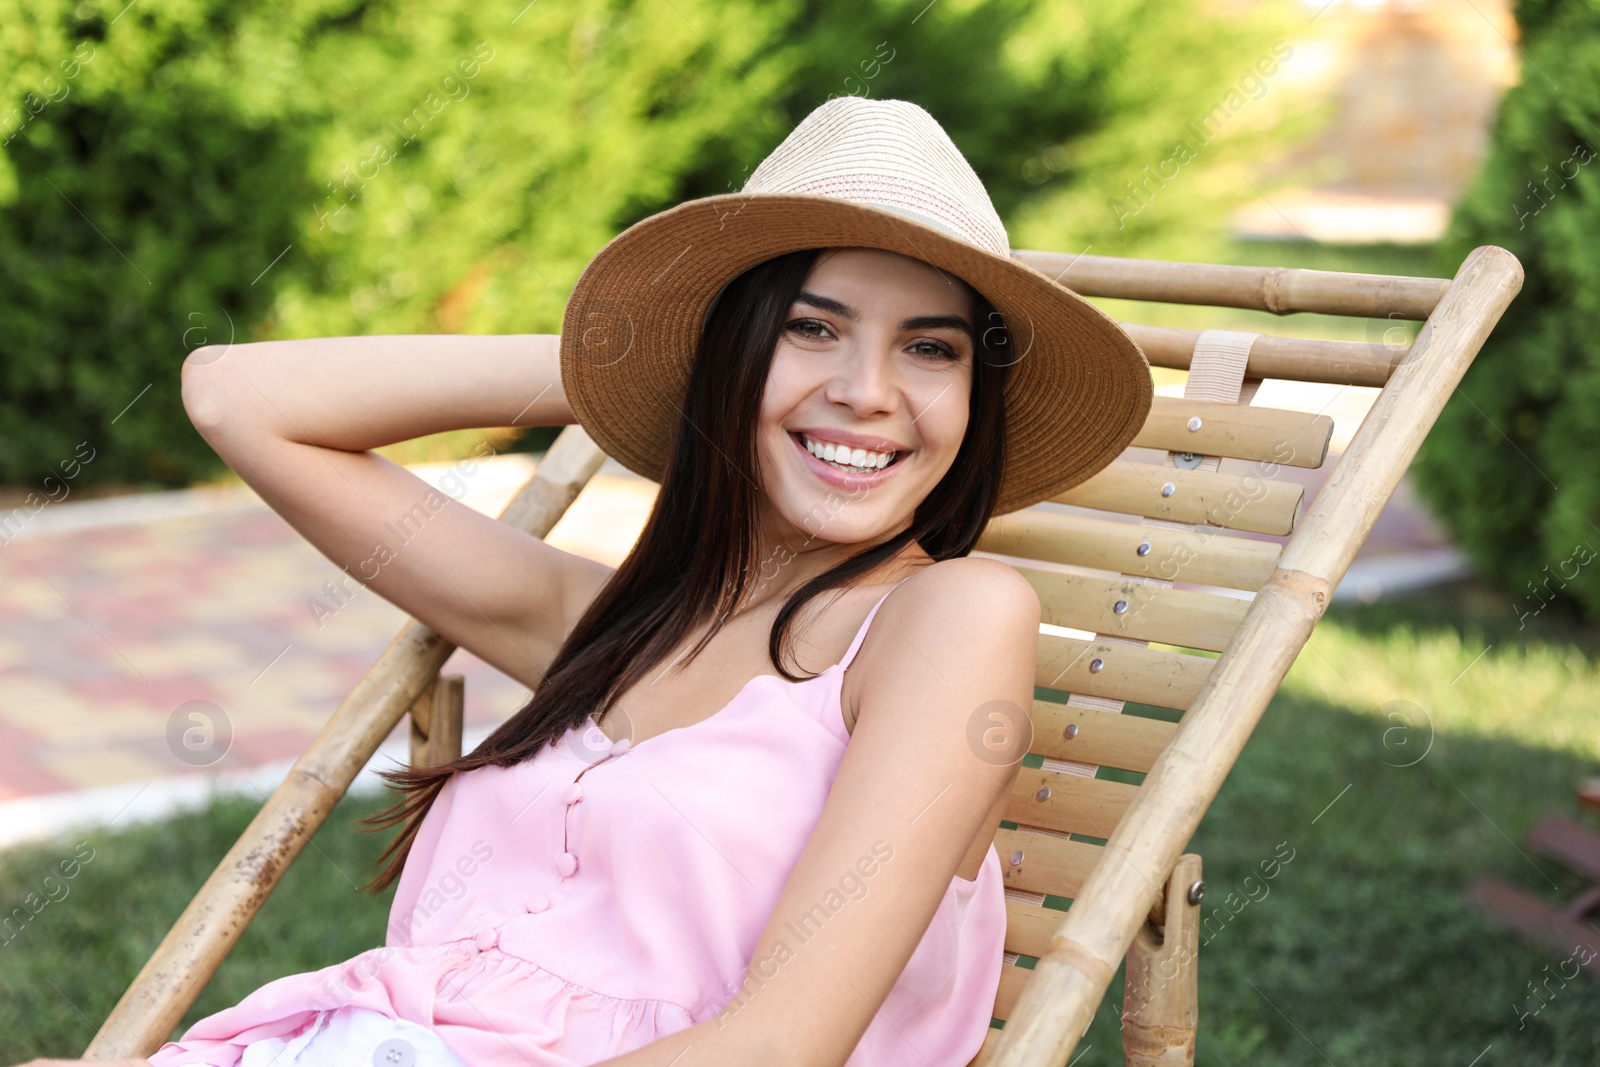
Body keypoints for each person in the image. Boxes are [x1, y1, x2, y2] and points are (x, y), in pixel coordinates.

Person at [18, 97, 1150, 1067]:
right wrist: (644, 366)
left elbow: (779, 1044)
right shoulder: (604, 626)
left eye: (931, 346)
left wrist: (756, 370)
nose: (866, 390)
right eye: (812, 328)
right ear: (734, 353)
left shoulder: (948, 619)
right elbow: (233, 395)